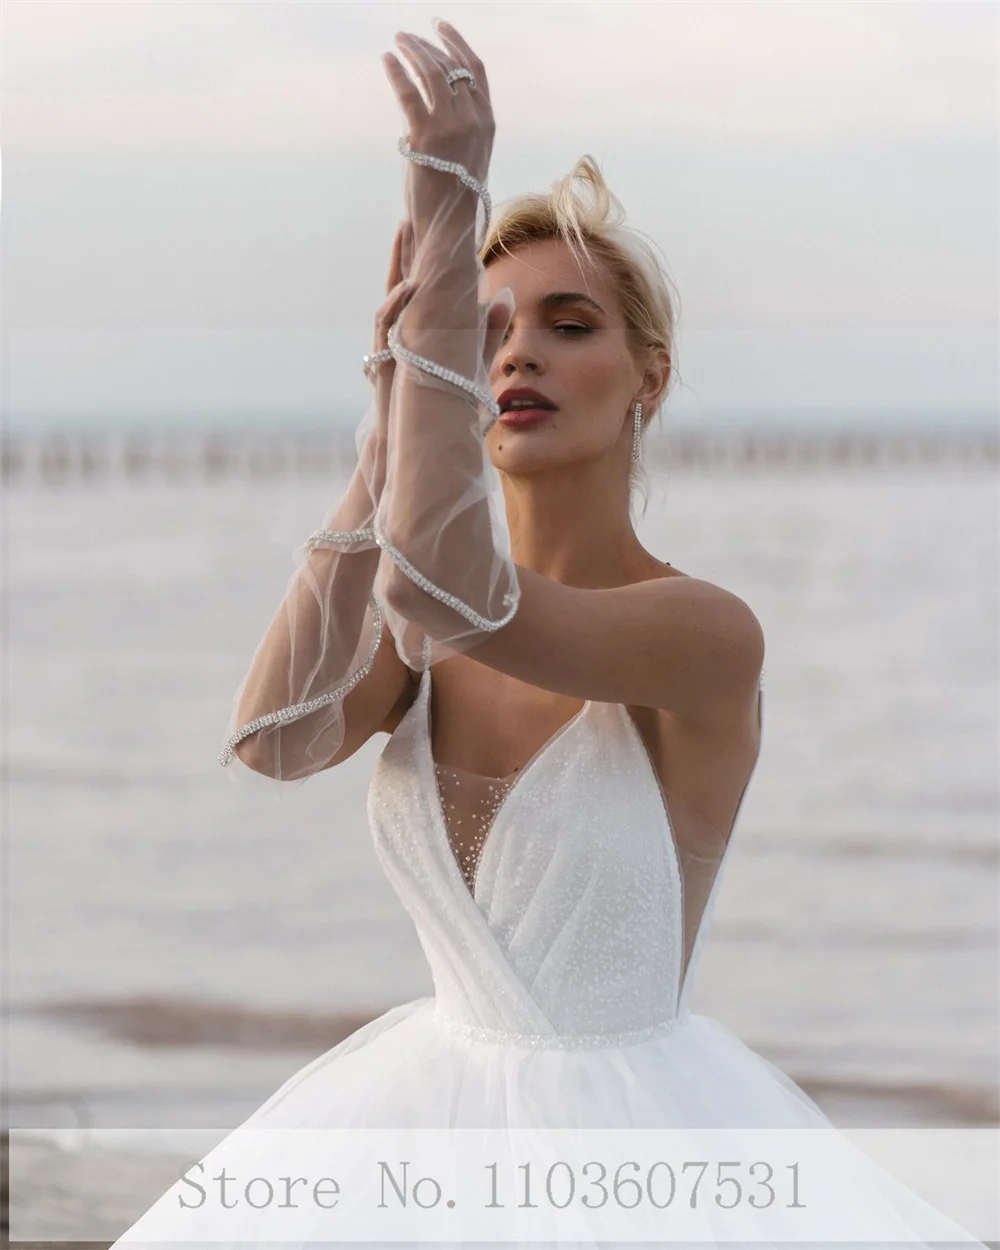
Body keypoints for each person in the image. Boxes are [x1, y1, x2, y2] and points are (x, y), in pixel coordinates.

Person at [113, 19, 986, 1248]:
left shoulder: (702, 634)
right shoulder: (427, 636)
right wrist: (385, 421)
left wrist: (444, 197)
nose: (513, 352)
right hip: (417, 1129)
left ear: (650, 377)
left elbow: (453, 593)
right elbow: (275, 736)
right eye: (485, 328)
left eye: (568, 324)